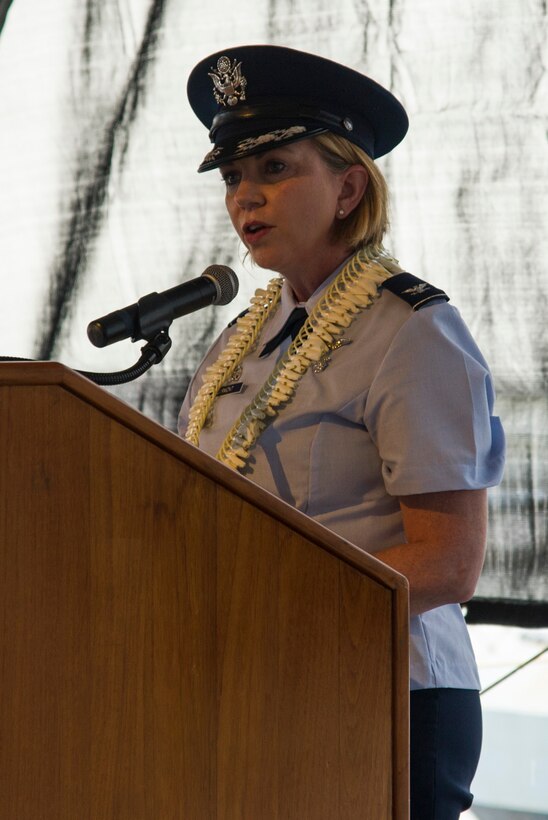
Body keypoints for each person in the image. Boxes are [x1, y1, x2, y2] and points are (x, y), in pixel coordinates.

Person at [178, 44, 505, 818]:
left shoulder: (415, 331)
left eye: (275, 169)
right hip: (258, 683)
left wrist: (272, 598)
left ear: (349, 185)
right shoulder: (242, 336)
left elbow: (449, 562)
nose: (245, 199)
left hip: (389, 693)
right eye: (232, 178)